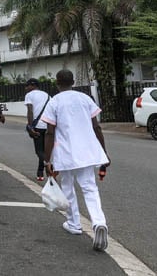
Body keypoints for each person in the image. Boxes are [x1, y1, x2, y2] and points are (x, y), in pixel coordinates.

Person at [42, 69, 110, 252]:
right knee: (89, 187)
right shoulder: (85, 99)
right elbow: (97, 128)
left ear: (57, 83)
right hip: (87, 152)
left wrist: (47, 160)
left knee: (67, 187)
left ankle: (74, 224)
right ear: (73, 82)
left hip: (65, 153)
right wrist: (104, 153)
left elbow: (49, 132)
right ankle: (98, 222)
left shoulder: (54, 102)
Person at [24, 78, 50, 181]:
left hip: (38, 126)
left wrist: (30, 127)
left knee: (39, 151)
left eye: (27, 86)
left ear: (32, 85)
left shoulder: (29, 95)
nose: (26, 88)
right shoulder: (47, 96)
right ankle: (40, 173)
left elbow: (30, 111)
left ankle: (49, 164)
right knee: (44, 150)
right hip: (48, 126)